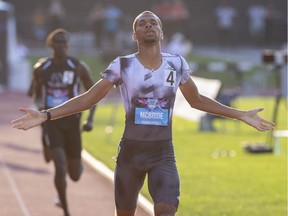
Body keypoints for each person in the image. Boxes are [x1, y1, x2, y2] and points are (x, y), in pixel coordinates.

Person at [11, 11, 275, 216]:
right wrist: (45, 115)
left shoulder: (176, 64)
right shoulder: (123, 65)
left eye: (154, 23)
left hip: (162, 154)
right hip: (130, 155)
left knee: (165, 211)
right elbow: (89, 98)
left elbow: (196, 100)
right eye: (142, 23)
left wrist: (240, 114)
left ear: (161, 32)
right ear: (134, 34)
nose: (148, 25)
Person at [25, 28, 96, 216]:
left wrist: (90, 119)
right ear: (51, 45)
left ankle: (69, 158)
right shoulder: (42, 68)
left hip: (72, 121)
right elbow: (36, 94)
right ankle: (66, 210)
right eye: (58, 43)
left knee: (74, 175)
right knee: (59, 164)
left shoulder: (77, 67)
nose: (61, 46)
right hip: (51, 120)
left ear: (68, 45)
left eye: (64, 43)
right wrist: (40, 109)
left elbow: (93, 94)